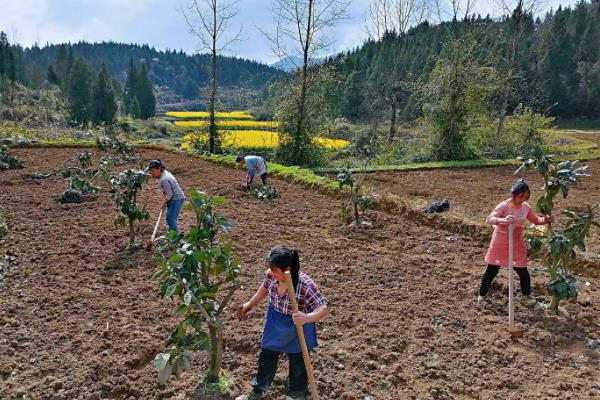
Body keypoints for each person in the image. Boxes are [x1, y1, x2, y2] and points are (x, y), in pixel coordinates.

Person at [236, 245, 328, 400]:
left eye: (275, 270)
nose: (271, 273)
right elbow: (264, 289)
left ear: (287, 270)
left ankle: (297, 393)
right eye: (270, 269)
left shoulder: (304, 284)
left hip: (297, 326)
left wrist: (307, 317)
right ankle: (258, 390)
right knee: (267, 355)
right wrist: (249, 304)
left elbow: (323, 309)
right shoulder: (271, 276)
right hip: (275, 321)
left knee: (298, 361)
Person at [478, 179, 552, 305]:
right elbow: (489, 219)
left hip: (517, 241)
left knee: (522, 270)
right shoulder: (504, 206)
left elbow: (535, 220)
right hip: (500, 242)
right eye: (521, 196)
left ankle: (527, 295)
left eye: (526, 197)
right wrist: (504, 220)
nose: (523, 199)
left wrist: (546, 219)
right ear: (514, 194)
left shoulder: (526, 207)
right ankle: (482, 295)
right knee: (492, 269)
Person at [148, 159, 185, 234]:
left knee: (171, 218)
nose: (151, 172)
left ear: (158, 169)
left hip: (176, 199)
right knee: (170, 218)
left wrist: (163, 203)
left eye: (153, 170)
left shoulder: (164, 179)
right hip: (174, 198)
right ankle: (171, 234)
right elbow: (167, 193)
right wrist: (165, 202)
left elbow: (169, 195)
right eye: (150, 170)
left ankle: (175, 238)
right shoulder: (164, 174)